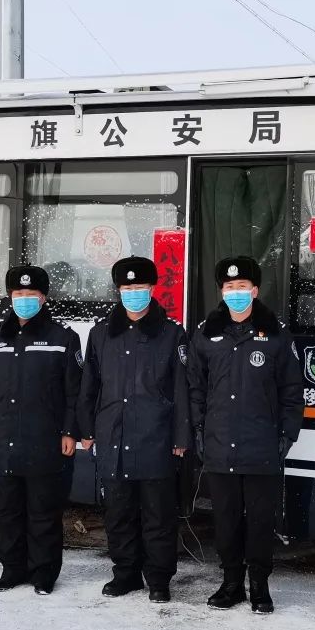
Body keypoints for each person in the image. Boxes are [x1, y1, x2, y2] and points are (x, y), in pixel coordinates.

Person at [187, 255, 303, 614]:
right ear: (221, 291)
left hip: (261, 445)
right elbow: (195, 388)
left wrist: (288, 434)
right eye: (229, 287)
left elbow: (291, 390)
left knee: (260, 520)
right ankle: (231, 583)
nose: (235, 293)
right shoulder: (206, 333)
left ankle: (260, 586)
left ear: (254, 290)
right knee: (225, 519)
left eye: (242, 287)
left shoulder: (277, 334)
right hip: (220, 445)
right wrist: (200, 430)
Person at [77, 256, 190, 603]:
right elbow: (89, 386)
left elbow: (181, 390)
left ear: (152, 289)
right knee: (118, 515)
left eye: (139, 287)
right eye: (127, 288)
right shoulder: (100, 334)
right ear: (118, 291)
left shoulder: (172, 334)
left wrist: (181, 437)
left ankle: (158, 580)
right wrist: (86, 430)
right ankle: (125, 574)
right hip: (113, 437)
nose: (133, 294)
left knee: (158, 517)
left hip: (156, 440)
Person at [0, 264, 82, 594]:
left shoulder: (63, 339)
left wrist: (69, 431)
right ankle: (13, 568)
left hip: (46, 441)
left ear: (43, 298)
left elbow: (74, 392)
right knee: (7, 511)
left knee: (44, 512)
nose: (24, 299)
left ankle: (44, 572)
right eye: (18, 293)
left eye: (31, 294)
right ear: (10, 297)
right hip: (3, 440)